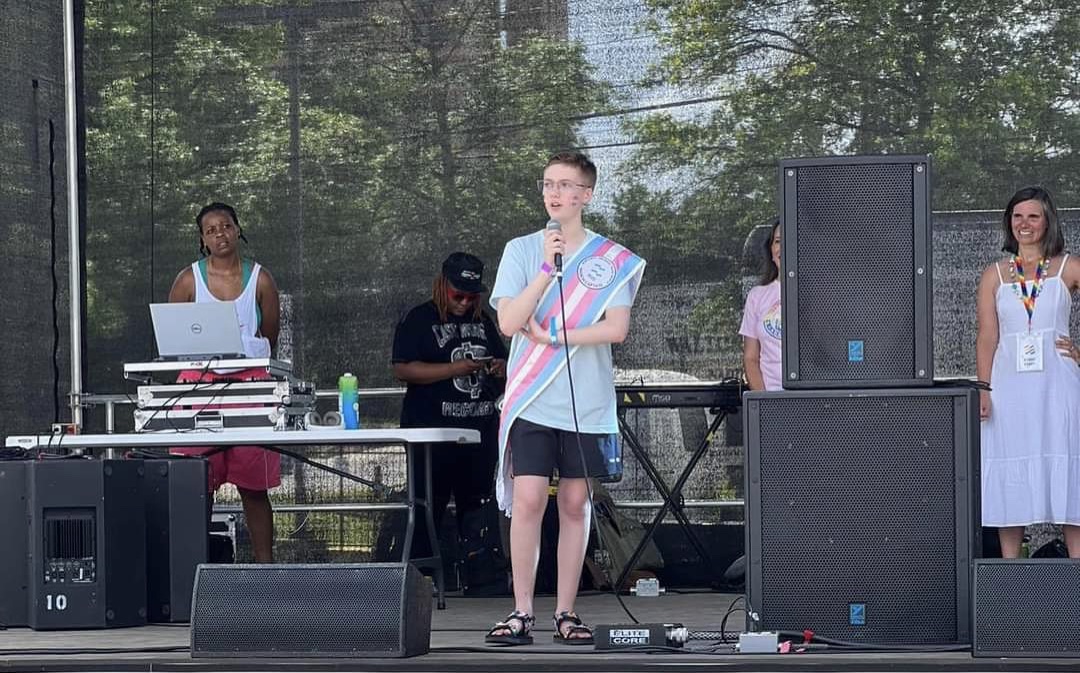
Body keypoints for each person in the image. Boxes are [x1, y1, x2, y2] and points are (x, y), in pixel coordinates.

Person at [485, 151, 646, 646]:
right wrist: (544, 271)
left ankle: (567, 613)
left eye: (566, 185)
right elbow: (509, 324)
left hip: (586, 400)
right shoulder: (522, 249)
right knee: (530, 499)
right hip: (532, 397)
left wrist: (556, 337)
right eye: (548, 184)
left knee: (575, 503)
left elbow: (615, 329)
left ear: (587, 195)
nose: (555, 193)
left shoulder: (611, 259)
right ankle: (521, 612)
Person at [168, 202, 281, 563]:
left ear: (238, 230)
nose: (221, 234)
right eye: (212, 229)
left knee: (253, 486)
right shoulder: (189, 280)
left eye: (227, 226)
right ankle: (192, 571)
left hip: (250, 389)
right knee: (196, 485)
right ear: (202, 239)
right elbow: (173, 336)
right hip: (199, 388)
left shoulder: (261, 278)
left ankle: (266, 570)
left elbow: (270, 336)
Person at [391, 252, 508, 586]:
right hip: (431, 433)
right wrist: (455, 369)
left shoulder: (483, 320)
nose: (465, 302)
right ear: (442, 286)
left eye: (472, 295)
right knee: (428, 504)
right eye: (459, 294)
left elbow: (503, 360)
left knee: (478, 503)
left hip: (479, 428)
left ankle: (482, 578)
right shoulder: (418, 318)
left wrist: (499, 367)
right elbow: (402, 368)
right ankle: (420, 582)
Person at [976, 186, 1080, 558]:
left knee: (1067, 468)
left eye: (1033, 216)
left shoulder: (1069, 266)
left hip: (1058, 385)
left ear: (1047, 220)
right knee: (1010, 471)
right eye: (1018, 216)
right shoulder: (995, 274)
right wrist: (984, 389)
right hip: (1010, 386)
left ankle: (1075, 567)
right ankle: (1010, 571)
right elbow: (987, 337)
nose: (1025, 224)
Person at [740, 220, 782, 391]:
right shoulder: (757, 296)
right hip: (773, 403)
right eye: (778, 241)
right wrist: (765, 402)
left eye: (790, 240)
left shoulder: (821, 294)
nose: (783, 247)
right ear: (771, 251)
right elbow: (751, 358)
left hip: (814, 404)